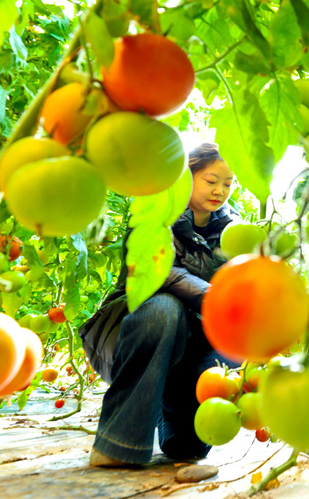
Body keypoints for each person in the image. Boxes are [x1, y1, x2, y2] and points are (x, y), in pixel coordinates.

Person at [80, 142, 238, 467]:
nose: (219, 191)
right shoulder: (156, 213)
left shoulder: (234, 231)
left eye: (228, 183)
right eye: (211, 181)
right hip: (141, 329)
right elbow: (160, 271)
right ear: (187, 176)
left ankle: (172, 414)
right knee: (164, 310)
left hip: (194, 344)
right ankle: (119, 442)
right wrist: (215, 297)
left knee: (187, 449)